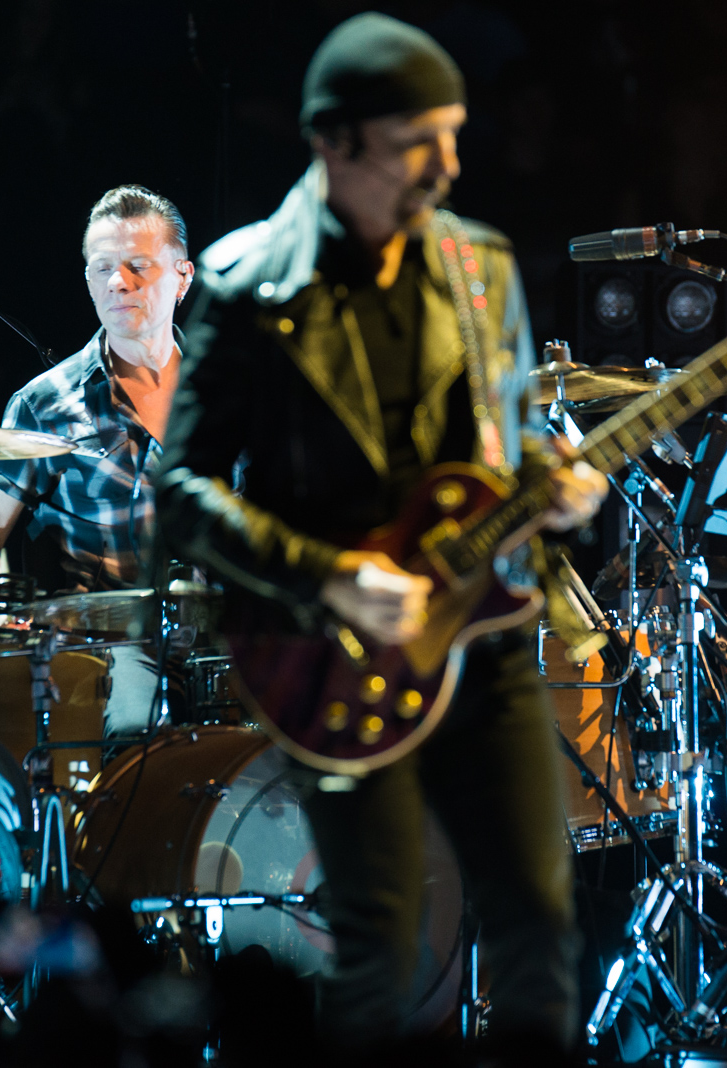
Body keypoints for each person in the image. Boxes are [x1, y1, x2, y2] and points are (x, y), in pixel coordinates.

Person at [155, 13, 605, 1054]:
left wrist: (556, 494)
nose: (448, 167)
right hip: (332, 653)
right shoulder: (247, 282)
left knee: (538, 925)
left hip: (483, 638)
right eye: (418, 144)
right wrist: (330, 577)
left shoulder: (481, 265)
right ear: (334, 142)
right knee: (379, 943)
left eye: (453, 136)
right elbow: (181, 492)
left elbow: (509, 453)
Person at [0, 184, 193, 734]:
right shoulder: (46, 404)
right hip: (113, 645)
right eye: (102, 268)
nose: (118, 282)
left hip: (232, 635)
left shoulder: (231, 390)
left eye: (138, 266)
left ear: (182, 277)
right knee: (139, 727)